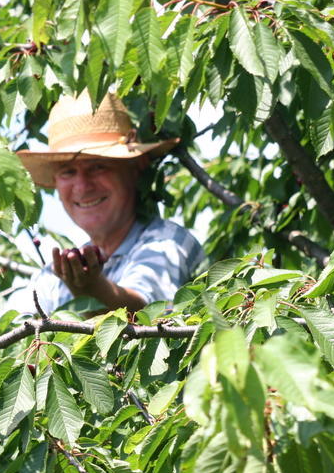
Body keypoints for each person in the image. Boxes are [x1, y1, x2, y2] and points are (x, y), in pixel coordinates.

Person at [16, 90, 205, 314]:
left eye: (98, 166)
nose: (82, 186)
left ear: (137, 166)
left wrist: (90, 289)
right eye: (68, 172)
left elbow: (146, 313)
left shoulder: (167, 242)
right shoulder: (52, 279)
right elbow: (5, 341)